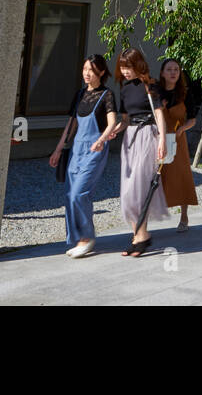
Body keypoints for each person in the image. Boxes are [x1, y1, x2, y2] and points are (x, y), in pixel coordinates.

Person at [50, 55, 120, 259]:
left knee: (80, 193)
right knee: (70, 194)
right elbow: (71, 124)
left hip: (95, 149)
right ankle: (78, 238)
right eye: (84, 69)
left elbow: (111, 123)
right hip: (76, 150)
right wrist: (58, 149)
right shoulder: (80, 94)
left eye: (91, 70)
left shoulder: (107, 95)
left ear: (101, 73)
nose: (86, 74)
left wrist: (102, 140)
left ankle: (87, 238)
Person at [114, 48, 168, 256]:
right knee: (128, 191)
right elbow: (125, 119)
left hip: (148, 135)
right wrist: (114, 132)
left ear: (138, 65)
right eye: (122, 67)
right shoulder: (125, 89)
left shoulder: (150, 85)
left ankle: (140, 236)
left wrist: (162, 139)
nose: (125, 71)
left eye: (128, 67)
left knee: (140, 187)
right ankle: (139, 235)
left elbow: (159, 114)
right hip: (130, 137)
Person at [156, 58, 200, 232]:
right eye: (169, 69)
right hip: (158, 139)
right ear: (162, 73)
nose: (173, 72)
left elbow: (193, 120)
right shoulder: (156, 93)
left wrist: (183, 128)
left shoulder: (185, 93)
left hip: (178, 138)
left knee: (181, 175)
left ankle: (184, 216)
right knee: (158, 176)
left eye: (176, 69)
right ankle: (152, 213)